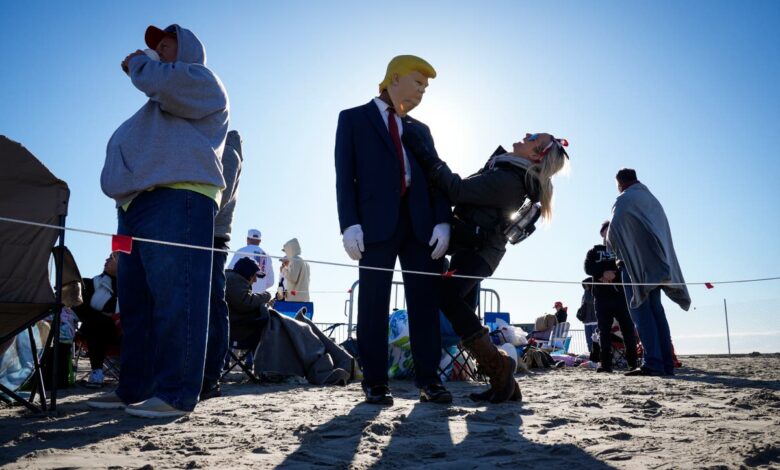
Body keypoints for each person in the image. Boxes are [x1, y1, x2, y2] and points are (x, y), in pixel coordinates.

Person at [94, 24, 229, 418]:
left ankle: (176, 394)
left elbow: (160, 81)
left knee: (177, 297)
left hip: (178, 197)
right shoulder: (155, 105)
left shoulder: (203, 83)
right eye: (154, 47)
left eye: (166, 43)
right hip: (130, 209)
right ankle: (134, 387)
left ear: (186, 50)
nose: (156, 48)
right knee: (135, 302)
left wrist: (139, 64)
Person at [403, 130, 569, 403]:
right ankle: (504, 384)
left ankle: (499, 366)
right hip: (473, 249)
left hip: (478, 253)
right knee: (462, 314)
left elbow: (458, 190)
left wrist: (428, 157)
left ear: (536, 153)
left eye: (533, 137)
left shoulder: (510, 181)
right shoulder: (507, 169)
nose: (526, 135)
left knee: (447, 297)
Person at [334, 55, 452, 405]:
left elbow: (437, 178)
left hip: (420, 227)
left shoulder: (421, 129)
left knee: (424, 306)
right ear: (394, 79)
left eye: (426, 88)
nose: (421, 92)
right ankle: (374, 381)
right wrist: (349, 223)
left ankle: (429, 381)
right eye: (418, 83)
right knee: (372, 303)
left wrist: (443, 220)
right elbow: (345, 176)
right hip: (373, 226)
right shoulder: (352, 119)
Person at [607, 168, 690, 376]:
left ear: (619, 183)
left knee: (641, 313)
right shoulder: (651, 199)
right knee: (657, 312)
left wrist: (619, 251)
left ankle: (653, 362)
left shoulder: (624, 199)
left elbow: (613, 233)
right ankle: (666, 363)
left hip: (636, 266)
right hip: (656, 264)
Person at [202, 130, 243, 400]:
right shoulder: (215, 145)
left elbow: (221, 193)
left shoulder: (227, 147)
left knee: (214, 305)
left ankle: (210, 378)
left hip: (212, 236)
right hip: (202, 233)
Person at [584, 221, 638, 372]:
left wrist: (614, 274)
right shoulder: (594, 251)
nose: (610, 233)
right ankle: (605, 364)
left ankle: (632, 363)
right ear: (602, 232)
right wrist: (602, 274)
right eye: (607, 230)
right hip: (601, 298)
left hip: (622, 297)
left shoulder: (623, 250)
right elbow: (588, 268)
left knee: (628, 329)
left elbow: (628, 268)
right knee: (603, 331)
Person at [72, 253, 120, 388]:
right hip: (97, 330)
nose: (106, 259)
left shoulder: (132, 287)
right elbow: (79, 308)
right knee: (98, 321)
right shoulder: (90, 283)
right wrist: (107, 314)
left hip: (123, 331)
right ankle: (97, 371)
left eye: (112, 258)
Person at [226, 258, 271, 349]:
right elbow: (246, 303)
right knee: (266, 318)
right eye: (254, 276)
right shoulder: (235, 280)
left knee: (263, 310)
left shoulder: (233, 279)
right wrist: (266, 296)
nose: (255, 280)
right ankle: (261, 359)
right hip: (234, 329)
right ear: (247, 274)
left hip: (230, 325)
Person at [228, 229, 275, 293]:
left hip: (242, 294)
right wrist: (260, 287)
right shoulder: (267, 256)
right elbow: (271, 281)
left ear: (247, 239)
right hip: (260, 297)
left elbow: (230, 270)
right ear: (260, 241)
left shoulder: (241, 251)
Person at [576, 278, 598, 354]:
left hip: (595, 321)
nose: (585, 287)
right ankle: (591, 356)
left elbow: (590, 301)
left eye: (586, 285)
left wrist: (587, 291)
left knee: (596, 341)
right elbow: (583, 305)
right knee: (589, 341)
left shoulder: (594, 293)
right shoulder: (585, 294)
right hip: (587, 322)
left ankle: (598, 357)